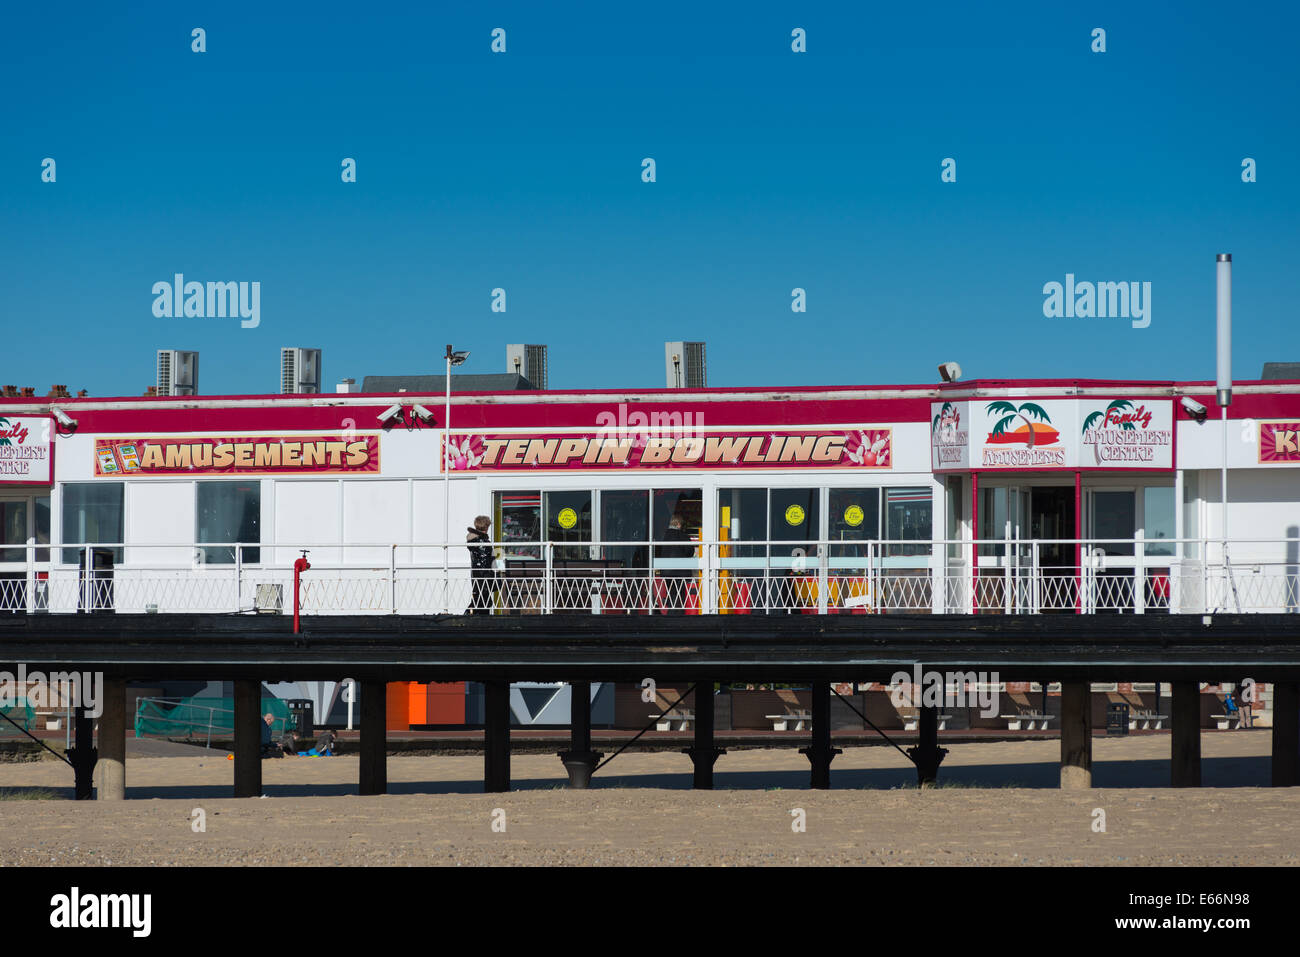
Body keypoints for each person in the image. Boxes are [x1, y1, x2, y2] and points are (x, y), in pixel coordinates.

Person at [656, 513, 695, 615]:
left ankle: (671, 610)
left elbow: (658, 551)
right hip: (681, 571)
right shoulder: (683, 536)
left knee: (671, 590)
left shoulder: (663, 535)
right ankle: (678, 612)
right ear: (678, 524)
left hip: (666, 571)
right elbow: (690, 552)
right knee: (680, 593)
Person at [466, 515, 497, 614]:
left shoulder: (474, 540)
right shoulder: (482, 541)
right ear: (486, 527)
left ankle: (473, 616)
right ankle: (468, 615)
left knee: (481, 599)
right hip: (484, 574)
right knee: (482, 600)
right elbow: (488, 557)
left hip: (477, 573)